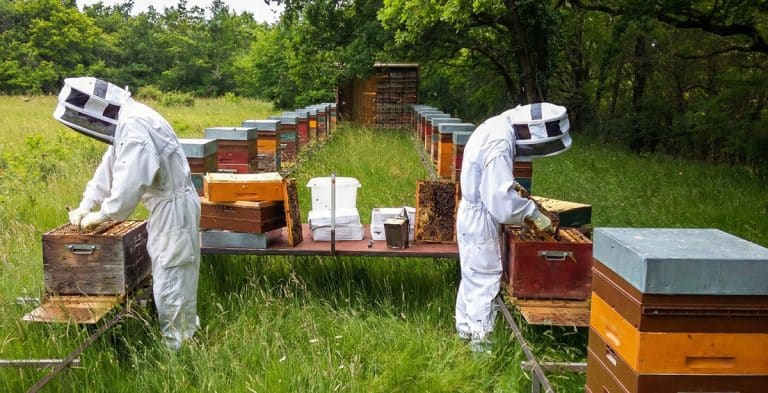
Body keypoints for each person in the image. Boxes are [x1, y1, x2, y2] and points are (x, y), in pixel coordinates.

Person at [54, 77, 201, 351]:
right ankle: (184, 338)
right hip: (168, 208)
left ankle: (178, 348)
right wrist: (87, 203)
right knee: (171, 274)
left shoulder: (133, 127)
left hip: (173, 211)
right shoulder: (128, 121)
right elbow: (109, 168)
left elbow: (129, 184)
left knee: (172, 278)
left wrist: (104, 214)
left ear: (99, 109)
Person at [455, 102, 572, 352]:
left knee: (472, 277)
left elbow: (491, 182)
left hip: (471, 213)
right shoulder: (500, 142)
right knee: (485, 281)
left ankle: (465, 334)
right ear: (531, 131)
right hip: (481, 218)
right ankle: (481, 350)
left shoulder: (496, 126)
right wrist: (532, 213)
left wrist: (512, 187)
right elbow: (502, 204)